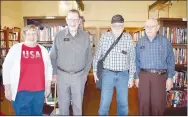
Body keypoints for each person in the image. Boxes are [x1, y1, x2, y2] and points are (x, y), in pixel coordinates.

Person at [2, 25, 52, 115]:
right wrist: (7, 88)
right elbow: (6, 68)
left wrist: (48, 87)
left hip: (39, 92)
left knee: (37, 113)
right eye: (29, 34)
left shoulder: (43, 50)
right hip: (21, 92)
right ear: (24, 35)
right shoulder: (15, 49)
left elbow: (49, 68)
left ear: (37, 36)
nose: (32, 37)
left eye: (34, 34)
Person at [50, 9, 92, 115]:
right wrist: (54, 73)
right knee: (63, 106)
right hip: (61, 75)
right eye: (70, 19)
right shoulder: (58, 36)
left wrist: (86, 73)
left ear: (79, 21)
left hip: (79, 76)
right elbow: (53, 56)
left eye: (75, 19)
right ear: (66, 20)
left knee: (78, 106)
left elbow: (89, 57)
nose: (73, 22)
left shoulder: (85, 36)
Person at [93, 14, 136, 116]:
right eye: (115, 25)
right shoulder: (104, 37)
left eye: (120, 25)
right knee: (104, 104)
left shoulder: (128, 38)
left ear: (123, 26)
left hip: (123, 75)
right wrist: (94, 72)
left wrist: (131, 77)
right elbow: (97, 56)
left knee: (123, 104)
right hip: (107, 74)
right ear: (111, 26)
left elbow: (132, 59)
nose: (118, 28)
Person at [135, 18, 175, 116]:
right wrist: (136, 77)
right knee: (144, 104)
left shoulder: (165, 42)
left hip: (160, 77)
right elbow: (136, 61)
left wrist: (170, 77)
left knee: (158, 105)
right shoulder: (140, 42)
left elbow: (171, 60)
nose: (149, 29)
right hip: (144, 76)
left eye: (152, 26)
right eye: (146, 27)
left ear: (157, 27)